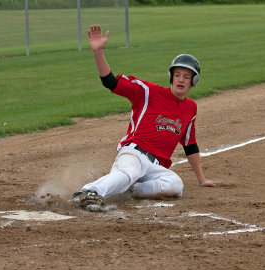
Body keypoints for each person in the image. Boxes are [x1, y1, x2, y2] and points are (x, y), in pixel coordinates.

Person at [70, 24, 220, 208]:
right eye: (178, 74)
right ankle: (88, 192)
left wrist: (202, 179)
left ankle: (132, 190)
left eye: (187, 76)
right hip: (134, 154)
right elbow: (110, 82)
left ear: (193, 82)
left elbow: (190, 145)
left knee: (175, 185)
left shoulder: (190, 108)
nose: (181, 79)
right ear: (171, 77)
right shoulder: (148, 91)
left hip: (155, 167)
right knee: (129, 173)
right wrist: (98, 51)